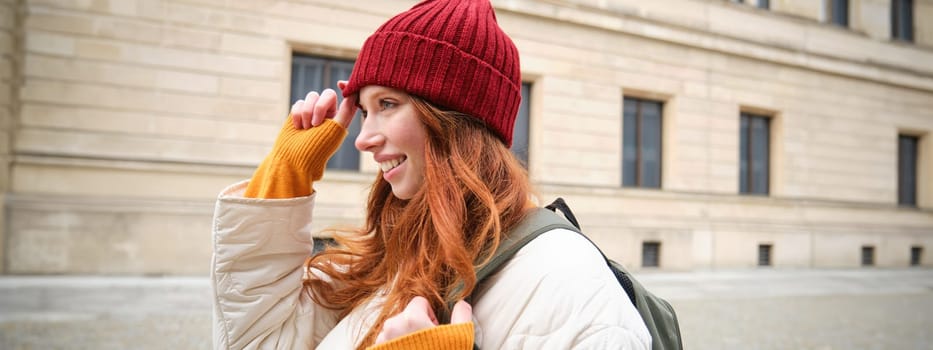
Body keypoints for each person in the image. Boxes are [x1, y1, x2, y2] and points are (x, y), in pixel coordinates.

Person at [210, 0, 652, 349]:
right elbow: (262, 342)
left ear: (454, 120)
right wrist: (282, 181)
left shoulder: (568, 284)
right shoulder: (394, 258)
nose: (361, 140)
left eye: (387, 105)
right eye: (363, 111)